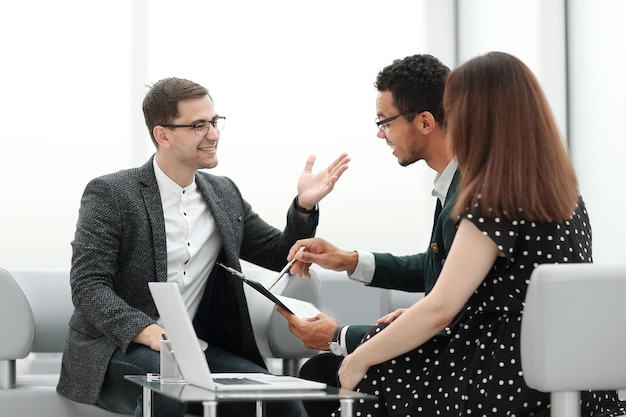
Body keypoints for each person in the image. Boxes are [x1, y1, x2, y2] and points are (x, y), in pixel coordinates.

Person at [303, 51, 625, 416]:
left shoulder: (494, 194)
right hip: (576, 380)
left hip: (506, 378)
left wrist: (358, 357)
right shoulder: (564, 192)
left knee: (349, 379)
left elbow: (441, 309)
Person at [55, 77, 350, 417]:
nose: (213, 134)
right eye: (198, 126)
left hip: (197, 350)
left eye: (214, 122)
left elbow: (277, 251)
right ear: (162, 135)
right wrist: (146, 330)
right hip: (116, 350)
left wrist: (303, 207)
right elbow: (89, 287)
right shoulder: (112, 194)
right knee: (172, 383)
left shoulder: (223, 193)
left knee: (284, 405)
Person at [276, 54, 457, 417]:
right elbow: (445, 265)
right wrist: (349, 261)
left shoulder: (472, 193)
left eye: (385, 122)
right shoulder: (456, 185)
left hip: (461, 367)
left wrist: (337, 335)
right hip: (458, 351)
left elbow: (447, 309)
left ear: (424, 122)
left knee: (322, 372)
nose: (379, 133)